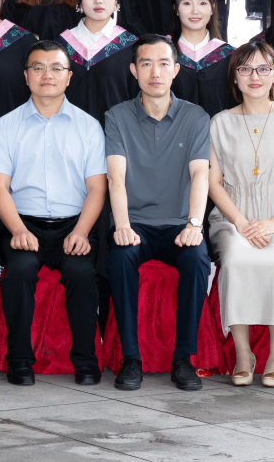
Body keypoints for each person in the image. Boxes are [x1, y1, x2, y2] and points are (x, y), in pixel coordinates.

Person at [0, 41, 106, 386]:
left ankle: (86, 361)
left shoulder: (88, 127)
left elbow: (97, 188)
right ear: (26, 76)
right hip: (24, 223)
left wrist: (82, 232)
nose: (47, 75)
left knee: (82, 274)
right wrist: (17, 230)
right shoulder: (6, 125)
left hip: (74, 225)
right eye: (38, 68)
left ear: (69, 77)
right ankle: (19, 361)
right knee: (20, 271)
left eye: (56, 68)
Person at [104, 35, 212, 393]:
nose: (155, 72)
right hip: (135, 224)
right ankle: (130, 358)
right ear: (134, 70)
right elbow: (116, 177)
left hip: (179, 225)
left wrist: (194, 224)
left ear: (176, 70)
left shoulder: (195, 117)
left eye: (164, 63)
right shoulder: (117, 116)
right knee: (121, 257)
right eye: (146, 63)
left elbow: (200, 174)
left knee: (197, 259)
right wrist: (122, 225)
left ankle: (183, 359)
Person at [205, 40, 274, 388]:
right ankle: (243, 355)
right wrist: (241, 223)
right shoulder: (219, 123)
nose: (255, 76)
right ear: (235, 77)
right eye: (246, 69)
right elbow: (213, 182)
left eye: (263, 68)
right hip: (233, 218)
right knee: (234, 261)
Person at [58, 0, 142, 123]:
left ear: (116, 0)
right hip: (68, 133)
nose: (98, 0)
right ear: (79, 0)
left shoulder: (131, 46)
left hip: (116, 134)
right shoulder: (60, 45)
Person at [168, 0, 236, 116]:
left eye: (203, 3)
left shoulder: (229, 55)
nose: (195, 11)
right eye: (187, 3)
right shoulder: (162, 52)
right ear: (176, 9)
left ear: (213, 8)